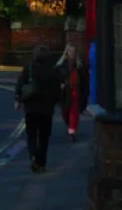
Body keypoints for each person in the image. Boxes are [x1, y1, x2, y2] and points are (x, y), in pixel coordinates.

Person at [15, 45, 63, 173]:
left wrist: (18, 100)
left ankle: (33, 156)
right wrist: (58, 101)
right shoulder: (53, 71)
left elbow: (20, 84)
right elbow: (57, 90)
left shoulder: (29, 68)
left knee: (31, 134)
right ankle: (41, 163)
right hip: (47, 109)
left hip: (31, 108)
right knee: (44, 136)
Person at [57, 44, 90, 141]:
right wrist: (60, 84)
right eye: (70, 51)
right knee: (65, 112)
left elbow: (84, 80)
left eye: (74, 52)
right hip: (65, 92)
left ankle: (72, 130)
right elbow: (57, 77)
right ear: (66, 53)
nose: (72, 54)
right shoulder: (62, 65)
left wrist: (85, 92)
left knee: (74, 112)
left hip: (76, 91)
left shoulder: (79, 66)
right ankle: (70, 125)